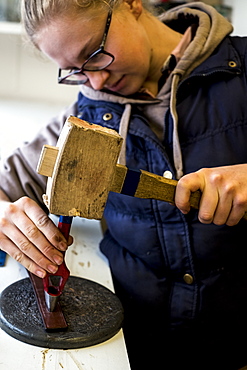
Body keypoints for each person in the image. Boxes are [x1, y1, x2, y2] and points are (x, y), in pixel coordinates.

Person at [1, 0, 247, 368]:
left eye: (95, 54)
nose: (96, 81)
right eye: (76, 71)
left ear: (131, 4)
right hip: (131, 348)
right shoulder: (85, 116)